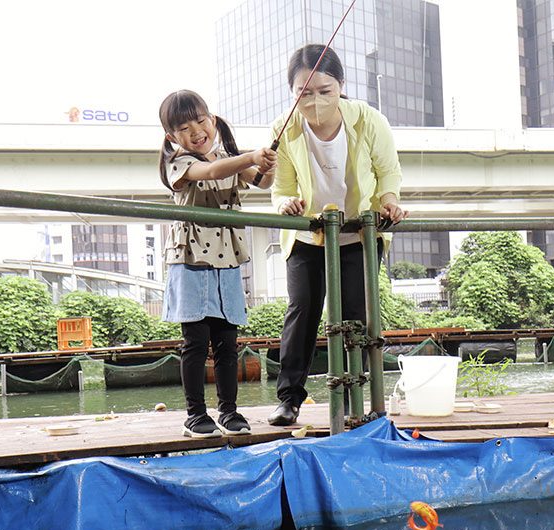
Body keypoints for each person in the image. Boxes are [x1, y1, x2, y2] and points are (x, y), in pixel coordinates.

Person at [267, 45, 409, 427]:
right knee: (302, 312)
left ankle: (352, 399)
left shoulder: (368, 119)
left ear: (341, 85)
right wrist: (285, 204)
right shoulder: (285, 127)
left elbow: (388, 172)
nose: (314, 101)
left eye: (324, 90)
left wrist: (390, 201)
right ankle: (289, 399)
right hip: (308, 235)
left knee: (355, 317)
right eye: (304, 92)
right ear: (292, 92)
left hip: (358, 234)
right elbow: (280, 188)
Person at [158, 90, 277, 438]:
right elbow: (210, 171)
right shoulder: (179, 163)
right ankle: (195, 415)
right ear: (172, 137)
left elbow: (262, 181)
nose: (196, 131)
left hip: (227, 262)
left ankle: (229, 411)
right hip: (191, 262)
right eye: (184, 128)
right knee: (195, 344)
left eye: (201, 121)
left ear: (212, 120)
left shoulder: (230, 159)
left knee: (228, 343)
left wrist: (268, 165)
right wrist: (250, 156)